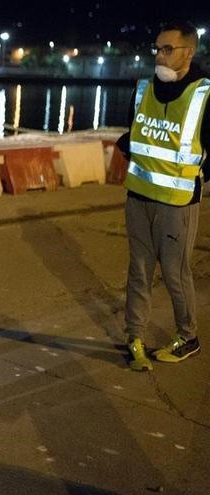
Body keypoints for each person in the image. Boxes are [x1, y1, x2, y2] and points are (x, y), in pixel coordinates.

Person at [117, 20, 208, 371]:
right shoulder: (142, 89)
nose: (160, 55)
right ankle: (134, 336)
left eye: (168, 49)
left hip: (177, 204)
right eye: (157, 48)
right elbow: (134, 136)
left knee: (175, 273)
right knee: (138, 271)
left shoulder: (204, 94)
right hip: (138, 196)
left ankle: (188, 337)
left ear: (189, 52)